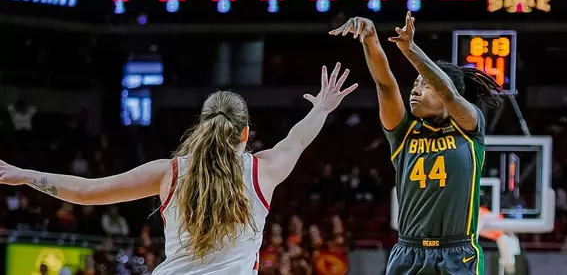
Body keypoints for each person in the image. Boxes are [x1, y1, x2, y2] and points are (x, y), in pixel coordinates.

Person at [0, 64, 357, 275]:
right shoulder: (263, 171)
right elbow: (297, 139)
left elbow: (88, 192)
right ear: (246, 133)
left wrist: (25, 175)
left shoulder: (168, 172)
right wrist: (322, 107)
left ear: (202, 126)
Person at [330, 11, 502, 275]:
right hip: (407, 252)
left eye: (425, 85)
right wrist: (370, 39)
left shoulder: (469, 129)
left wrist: (411, 50)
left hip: (457, 254)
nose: (415, 90)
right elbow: (385, 85)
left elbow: (449, 93)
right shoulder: (403, 133)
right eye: (414, 84)